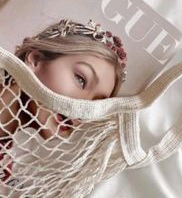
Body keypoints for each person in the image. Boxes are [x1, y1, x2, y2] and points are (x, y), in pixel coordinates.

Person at [0, 19, 127, 184]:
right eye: (81, 80)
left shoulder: (9, 171)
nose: (82, 108)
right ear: (36, 59)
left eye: (96, 104)